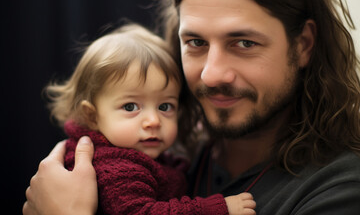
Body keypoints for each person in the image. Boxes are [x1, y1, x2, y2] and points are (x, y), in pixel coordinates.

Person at [23, 0, 360, 214]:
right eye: (196, 43)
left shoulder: (339, 188)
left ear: (303, 46)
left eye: (244, 43)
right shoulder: (170, 150)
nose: (211, 74)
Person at [28, 23, 256, 215]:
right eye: (130, 106)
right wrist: (216, 208)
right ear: (93, 116)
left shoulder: (134, 154)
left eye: (165, 106)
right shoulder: (114, 168)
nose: (153, 121)